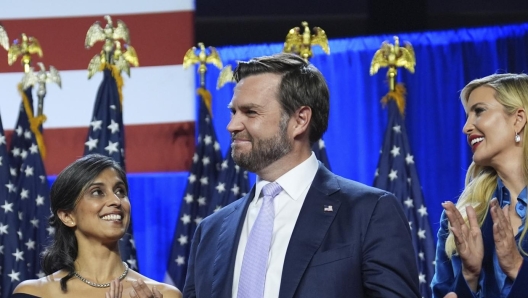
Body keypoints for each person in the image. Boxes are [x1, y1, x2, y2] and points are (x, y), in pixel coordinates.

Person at [183, 53, 420, 297]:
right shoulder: (210, 231)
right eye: (233, 112)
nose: (232, 125)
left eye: (250, 112)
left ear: (300, 120)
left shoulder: (369, 213)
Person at [12, 154, 182, 298]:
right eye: (97, 192)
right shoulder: (34, 292)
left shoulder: (163, 294)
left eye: (120, 191)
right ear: (67, 216)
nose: (116, 201)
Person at [431, 73, 528, 297]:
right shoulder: (461, 219)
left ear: (518, 119)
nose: (466, 127)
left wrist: (517, 267)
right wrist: (469, 276)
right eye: (467, 116)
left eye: (479, 111)